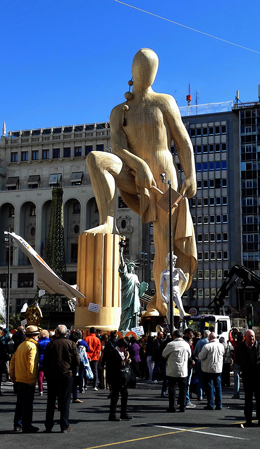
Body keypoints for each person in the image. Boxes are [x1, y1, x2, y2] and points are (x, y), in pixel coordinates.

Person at [85, 49, 198, 317]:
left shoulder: (164, 102)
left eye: (151, 68)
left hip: (163, 179)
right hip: (135, 174)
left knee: (163, 242)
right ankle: (108, 221)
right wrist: (140, 165)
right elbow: (117, 146)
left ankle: (161, 303)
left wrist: (190, 174)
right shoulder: (120, 111)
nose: (147, 73)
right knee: (96, 160)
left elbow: (183, 141)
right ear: (133, 71)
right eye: (142, 67)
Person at [43, 325, 79, 432]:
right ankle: (64, 425)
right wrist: (73, 372)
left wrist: (47, 374)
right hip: (67, 375)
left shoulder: (51, 344)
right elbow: (77, 361)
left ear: (56, 333)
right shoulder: (71, 344)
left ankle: (48, 425)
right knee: (65, 400)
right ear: (66, 334)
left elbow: (45, 361)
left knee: (51, 401)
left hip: (52, 375)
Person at [10, 326, 41, 433]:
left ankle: (17, 424)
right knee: (28, 404)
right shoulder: (32, 346)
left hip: (19, 378)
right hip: (27, 379)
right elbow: (31, 365)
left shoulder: (21, 345)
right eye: (37, 335)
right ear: (33, 335)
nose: (38, 337)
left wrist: (12, 374)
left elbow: (13, 360)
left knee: (20, 403)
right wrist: (32, 379)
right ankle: (27, 425)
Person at [236, 330, 260, 426]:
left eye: (253, 336)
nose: (252, 338)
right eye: (250, 336)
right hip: (247, 376)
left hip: (259, 376)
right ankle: (248, 419)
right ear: (245, 337)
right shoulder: (240, 347)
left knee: (259, 399)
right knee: (248, 399)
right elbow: (237, 359)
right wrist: (243, 365)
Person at [162, 329, 191, 412]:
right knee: (183, 389)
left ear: (174, 336)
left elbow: (164, 354)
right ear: (182, 336)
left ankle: (172, 406)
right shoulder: (186, 344)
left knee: (172, 389)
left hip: (172, 370)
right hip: (183, 370)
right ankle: (182, 406)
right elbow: (189, 355)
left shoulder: (171, 344)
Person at [105, 338, 132, 421]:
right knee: (115, 396)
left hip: (122, 377)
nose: (125, 349)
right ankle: (112, 414)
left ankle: (123, 413)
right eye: (124, 347)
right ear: (120, 346)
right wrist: (125, 359)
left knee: (125, 395)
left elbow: (123, 363)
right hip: (115, 377)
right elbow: (117, 364)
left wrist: (127, 360)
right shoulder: (114, 352)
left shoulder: (122, 352)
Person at [198, 332, 224, 410]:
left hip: (208, 368)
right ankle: (219, 404)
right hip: (218, 368)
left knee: (209, 387)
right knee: (218, 387)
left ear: (210, 338)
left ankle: (211, 404)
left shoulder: (207, 346)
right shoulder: (221, 346)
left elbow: (201, 356)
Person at [36, 329, 50, 396]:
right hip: (48, 359)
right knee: (49, 375)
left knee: (40, 375)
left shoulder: (38, 342)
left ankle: (40, 389)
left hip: (40, 358)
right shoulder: (50, 342)